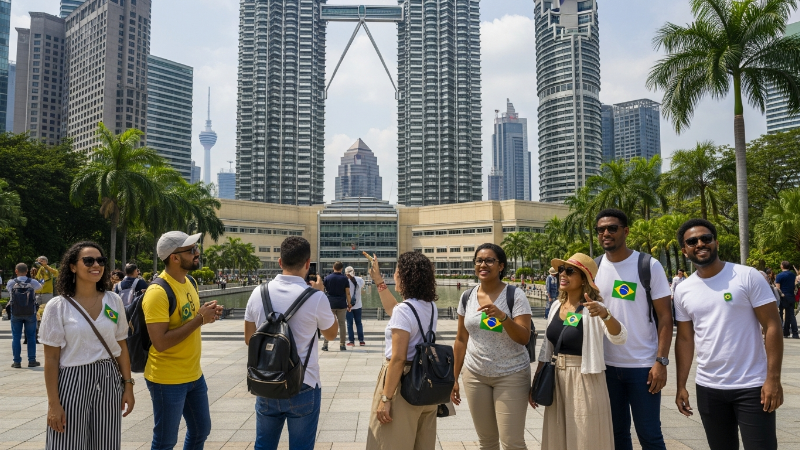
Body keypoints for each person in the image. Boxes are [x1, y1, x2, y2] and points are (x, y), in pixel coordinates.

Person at [673, 219, 783, 450]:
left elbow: (772, 325)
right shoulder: (683, 289)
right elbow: (684, 338)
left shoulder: (747, 276)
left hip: (752, 385)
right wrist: (681, 385)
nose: (700, 244)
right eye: (692, 241)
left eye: (706, 238)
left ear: (716, 243)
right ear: (685, 250)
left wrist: (773, 379)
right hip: (709, 387)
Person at [244, 237, 338, 450]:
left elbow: (249, 339)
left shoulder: (258, 292)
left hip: (266, 381)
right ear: (308, 263)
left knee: (264, 445)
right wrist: (322, 294)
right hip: (303, 383)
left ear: (280, 262)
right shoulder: (316, 297)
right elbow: (331, 334)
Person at [39, 241, 135, 449]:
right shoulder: (58, 306)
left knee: (106, 442)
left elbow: (121, 346)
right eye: (88, 260)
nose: (96, 265)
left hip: (108, 379)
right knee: (67, 443)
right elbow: (51, 359)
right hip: (72, 379)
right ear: (73, 266)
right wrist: (53, 404)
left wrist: (128, 385)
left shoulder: (113, 300)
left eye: (100, 260)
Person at [593, 209, 673, 450]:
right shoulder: (594, 268)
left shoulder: (648, 265)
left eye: (612, 228)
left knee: (649, 434)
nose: (606, 233)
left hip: (642, 367)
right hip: (605, 366)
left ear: (625, 231)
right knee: (616, 434)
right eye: (601, 230)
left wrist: (661, 362)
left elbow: (665, 317)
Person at [531, 253, 627, 449]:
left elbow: (620, 337)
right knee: (558, 436)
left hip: (585, 378)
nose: (562, 275)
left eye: (569, 271)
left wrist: (606, 315)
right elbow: (546, 348)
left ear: (584, 279)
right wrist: (537, 379)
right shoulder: (557, 305)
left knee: (586, 436)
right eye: (560, 271)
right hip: (557, 378)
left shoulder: (594, 308)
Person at [143, 231, 223, 450]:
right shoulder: (157, 292)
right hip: (167, 378)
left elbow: (188, 320)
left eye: (196, 248)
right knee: (165, 441)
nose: (197, 253)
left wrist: (207, 315)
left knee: (201, 430)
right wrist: (199, 319)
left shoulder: (190, 281)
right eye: (191, 250)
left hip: (193, 374)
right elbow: (160, 342)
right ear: (174, 257)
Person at [451, 243, 532, 450]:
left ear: (501, 266)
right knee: (486, 442)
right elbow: (461, 339)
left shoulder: (515, 295)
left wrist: (503, 317)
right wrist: (453, 377)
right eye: (479, 260)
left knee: (512, 442)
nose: (483, 264)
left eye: (489, 260)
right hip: (475, 375)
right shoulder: (467, 296)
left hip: (511, 374)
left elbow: (524, 337)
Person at [365, 251, 439, 450]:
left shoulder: (405, 310)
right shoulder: (430, 306)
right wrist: (379, 281)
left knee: (386, 443)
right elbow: (394, 309)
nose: (395, 276)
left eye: (397, 272)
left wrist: (386, 398)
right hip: (425, 384)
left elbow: (398, 358)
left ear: (406, 276)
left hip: (402, 383)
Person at [6, 263, 43, 368]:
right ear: (27, 271)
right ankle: (32, 360)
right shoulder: (33, 282)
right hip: (30, 313)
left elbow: (9, 293)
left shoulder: (11, 283)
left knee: (16, 337)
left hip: (16, 313)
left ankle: (16, 362)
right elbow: (40, 288)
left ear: (16, 271)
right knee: (31, 336)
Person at [322, 261, 351, 351]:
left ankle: (325, 344)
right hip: (341, 304)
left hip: (330, 304)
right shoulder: (344, 279)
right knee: (342, 324)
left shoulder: (327, 278)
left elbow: (322, 291)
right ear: (342, 269)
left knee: (328, 323)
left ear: (333, 268)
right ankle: (342, 344)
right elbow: (348, 293)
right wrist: (349, 303)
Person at [775, 261, 799, 338]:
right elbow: (795, 285)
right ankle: (795, 333)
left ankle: (783, 332)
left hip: (783, 296)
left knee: (781, 314)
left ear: (782, 266)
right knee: (791, 315)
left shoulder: (779, 276)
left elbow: (777, 288)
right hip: (791, 296)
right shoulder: (793, 275)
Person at [345, 266, 366, 346]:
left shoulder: (345, 281)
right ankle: (361, 341)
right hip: (358, 305)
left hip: (348, 306)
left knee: (349, 324)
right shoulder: (360, 280)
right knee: (359, 323)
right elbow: (363, 286)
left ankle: (351, 341)